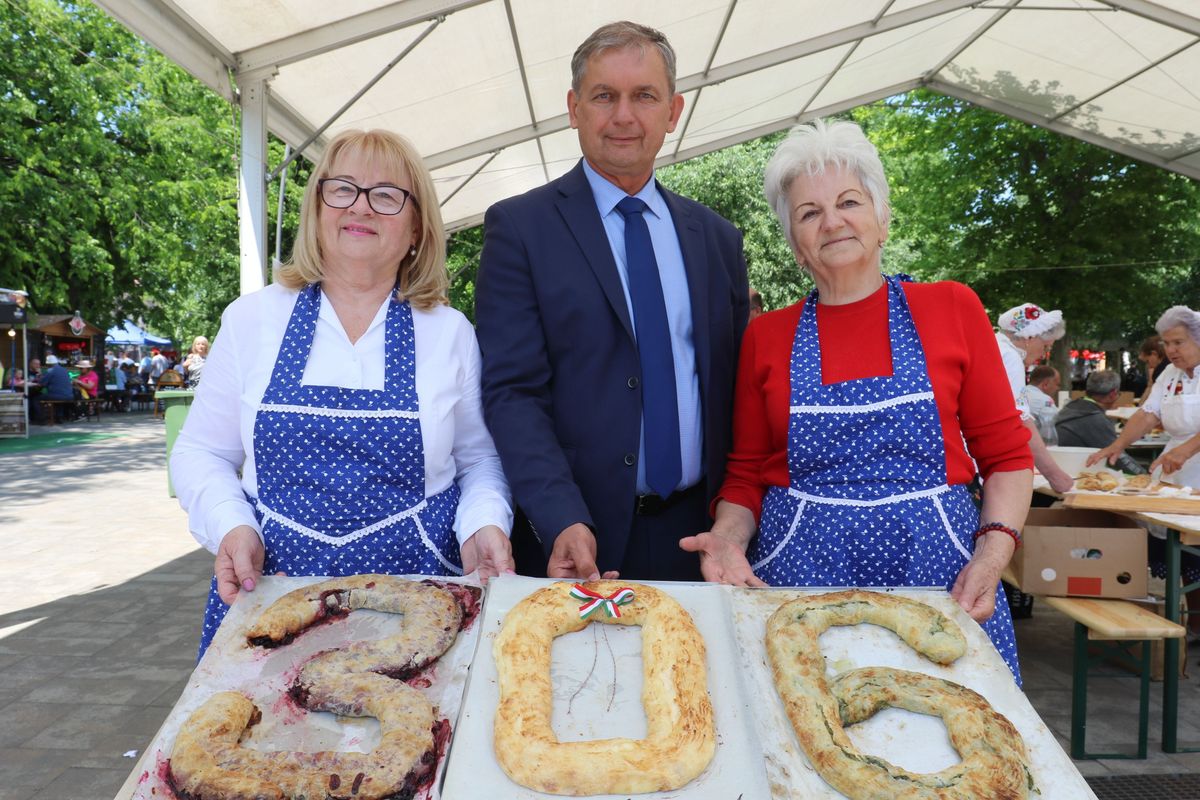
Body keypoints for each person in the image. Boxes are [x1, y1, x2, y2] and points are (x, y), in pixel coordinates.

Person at [678, 119, 1032, 682]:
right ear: (794, 242)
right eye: (809, 213)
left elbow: (1007, 456)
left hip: (939, 580)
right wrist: (725, 538)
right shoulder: (767, 337)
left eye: (848, 201)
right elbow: (746, 475)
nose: (833, 221)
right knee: (804, 741)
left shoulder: (951, 308)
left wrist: (992, 556)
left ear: (881, 216)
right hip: (800, 580)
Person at [171, 128, 514, 656]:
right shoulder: (252, 320)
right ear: (317, 205)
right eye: (343, 188)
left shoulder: (448, 333)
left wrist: (483, 524)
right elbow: (202, 453)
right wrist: (232, 526)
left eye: (386, 194)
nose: (361, 207)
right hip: (273, 594)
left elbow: (477, 462)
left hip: (419, 601)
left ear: (417, 225)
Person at [476, 21, 749, 583]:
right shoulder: (520, 229)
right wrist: (561, 517)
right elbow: (512, 393)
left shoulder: (718, 239)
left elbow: (735, 392)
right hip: (579, 546)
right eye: (605, 96)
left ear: (673, 112)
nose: (624, 115)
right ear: (574, 108)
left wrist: (733, 521)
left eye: (644, 96)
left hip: (704, 542)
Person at [1090, 306, 1200, 486]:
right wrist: (1118, 445)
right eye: (1166, 343)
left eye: (1178, 342)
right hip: (1174, 465)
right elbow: (1147, 415)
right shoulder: (1170, 373)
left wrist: (1186, 451)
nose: (1170, 350)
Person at [994, 303, 1074, 493]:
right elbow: (1020, 421)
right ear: (1030, 337)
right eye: (1045, 346)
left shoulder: (992, 346)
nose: (1044, 354)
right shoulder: (1010, 358)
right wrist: (1055, 475)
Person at [1055, 369, 1144, 474]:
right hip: (1079, 474)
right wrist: (1144, 474)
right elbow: (1117, 457)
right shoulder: (1095, 419)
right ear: (1113, 394)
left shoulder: (1070, 408)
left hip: (1062, 467)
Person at [1020, 365, 1060, 445]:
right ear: (1045, 384)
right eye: (1057, 384)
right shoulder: (1044, 400)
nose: (1058, 388)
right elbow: (1056, 424)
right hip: (1035, 445)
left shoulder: (1019, 392)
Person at [36, 354, 73, 423]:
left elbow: (42, 383)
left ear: (48, 364)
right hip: (69, 395)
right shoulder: (65, 370)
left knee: (36, 399)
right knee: (58, 397)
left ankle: (41, 419)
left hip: (57, 395)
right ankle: (59, 417)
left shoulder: (50, 371)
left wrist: (40, 375)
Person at [1138, 335, 1168, 406]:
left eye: (1147, 361)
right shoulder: (1164, 366)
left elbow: (1152, 396)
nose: (1149, 366)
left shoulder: (1160, 370)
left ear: (1154, 354)